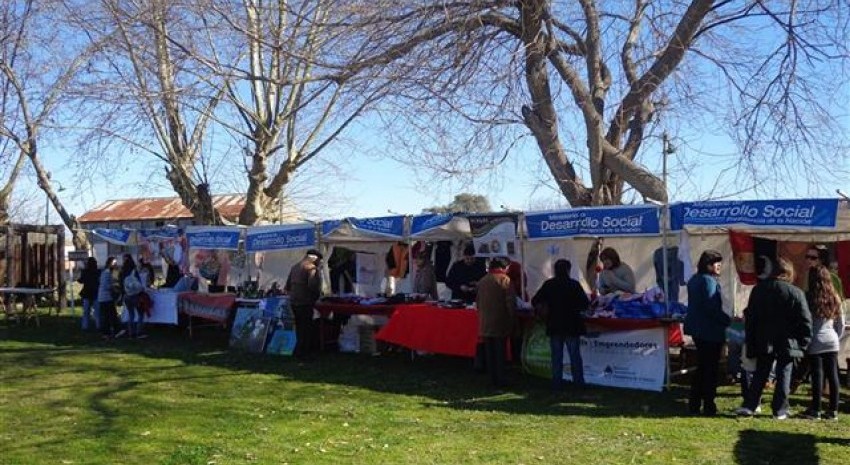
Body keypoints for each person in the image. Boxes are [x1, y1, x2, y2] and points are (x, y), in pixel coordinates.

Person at [737, 257, 812, 420]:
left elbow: (751, 317)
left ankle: (750, 405)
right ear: (789, 273)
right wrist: (804, 342)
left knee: (760, 373)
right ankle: (780, 410)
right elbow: (805, 320)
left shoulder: (759, 290)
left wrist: (751, 340)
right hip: (788, 340)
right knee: (784, 374)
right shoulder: (796, 293)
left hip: (764, 338)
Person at [683, 250, 731, 416]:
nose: (719, 266)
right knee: (709, 369)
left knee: (702, 367)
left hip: (698, 329)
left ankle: (695, 403)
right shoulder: (708, 281)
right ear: (709, 265)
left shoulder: (694, 280)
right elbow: (711, 307)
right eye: (716, 263)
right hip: (709, 330)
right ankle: (708, 404)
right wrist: (729, 320)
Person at [531, 259, 590, 389]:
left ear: (555, 270)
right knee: (574, 356)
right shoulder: (574, 284)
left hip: (554, 324)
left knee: (556, 356)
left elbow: (535, 300)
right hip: (572, 324)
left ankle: (556, 382)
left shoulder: (549, 284)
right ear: (568, 270)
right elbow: (585, 304)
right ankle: (578, 383)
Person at [799, 265, 845, 420]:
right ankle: (833, 411)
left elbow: (805, 321)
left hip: (815, 339)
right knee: (833, 375)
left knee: (817, 375)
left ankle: (816, 409)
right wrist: (835, 338)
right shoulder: (835, 297)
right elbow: (841, 323)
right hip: (832, 339)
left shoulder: (808, 297)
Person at [475, 257, 517, 387]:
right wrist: (512, 319)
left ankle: (491, 379)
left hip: (485, 322)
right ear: (504, 267)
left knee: (490, 353)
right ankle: (500, 379)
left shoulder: (482, 280)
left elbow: (478, 301)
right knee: (500, 353)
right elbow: (510, 303)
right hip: (500, 321)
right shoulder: (505, 280)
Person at [285, 248, 323, 361]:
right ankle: (304, 352)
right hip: (305, 301)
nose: (319, 263)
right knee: (306, 328)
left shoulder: (295, 267)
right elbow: (313, 286)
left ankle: (298, 351)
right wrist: (317, 296)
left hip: (294, 302)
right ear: (314, 259)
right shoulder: (311, 268)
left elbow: (288, 286)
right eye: (319, 260)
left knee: (299, 327)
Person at [119, 254, 145, 339]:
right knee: (140, 314)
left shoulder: (122, 272)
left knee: (131, 314)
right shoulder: (134, 271)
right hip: (135, 296)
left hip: (127, 296)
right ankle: (139, 332)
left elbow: (121, 284)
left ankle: (131, 333)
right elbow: (139, 284)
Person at [97, 256, 121, 340]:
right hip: (106, 298)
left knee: (109, 315)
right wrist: (114, 288)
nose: (115, 265)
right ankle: (110, 332)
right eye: (114, 263)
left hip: (105, 297)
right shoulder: (106, 273)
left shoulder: (108, 273)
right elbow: (106, 285)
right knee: (110, 315)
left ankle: (110, 331)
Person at [77, 257, 100, 331]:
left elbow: (81, 280)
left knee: (86, 311)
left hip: (86, 293)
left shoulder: (85, 271)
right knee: (97, 311)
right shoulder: (98, 271)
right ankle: (98, 325)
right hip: (95, 292)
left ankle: (85, 326)